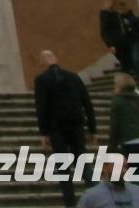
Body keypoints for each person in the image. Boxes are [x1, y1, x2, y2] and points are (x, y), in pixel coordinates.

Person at [34, 50, 96, 208]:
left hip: (57, 129)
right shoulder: (73, 77)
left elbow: (42, 107)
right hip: (76, 126)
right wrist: (92, 128)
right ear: (56, 59)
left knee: (63, 168)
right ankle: (99, 195)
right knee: (82, 162)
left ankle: (70, 203)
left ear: (42, 63)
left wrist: (44, 132)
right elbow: (86, 102)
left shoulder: (42, 80)